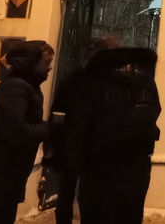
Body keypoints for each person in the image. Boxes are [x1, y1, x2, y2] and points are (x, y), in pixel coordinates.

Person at [67, 46, 161, 224]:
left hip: (100, 164)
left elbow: (80, 123)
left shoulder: (94, 82)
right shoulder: (147, 82)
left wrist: (76, 163)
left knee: (97, 215)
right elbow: (155, 111)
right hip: (138, 163)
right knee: (130, 215)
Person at [0, 40, 54, 224]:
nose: (50, 67)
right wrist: (50, 128)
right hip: (0, 177)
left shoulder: (25, 86)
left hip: (7, 176)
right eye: (46, 62)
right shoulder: (15, 88)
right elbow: (16, 131)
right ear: (31, 62)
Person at [47, 35, 120, 224]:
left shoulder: (109, 83)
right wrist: (55, 147)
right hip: (72, 148)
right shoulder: (73, 82)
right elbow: (58, 116)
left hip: (94, 151)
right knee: (67, 197)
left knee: (91, 198)